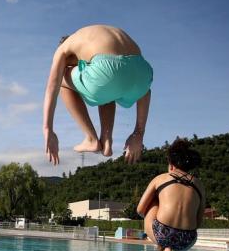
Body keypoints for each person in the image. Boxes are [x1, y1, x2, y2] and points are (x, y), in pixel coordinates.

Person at [42, 24, 153, 165]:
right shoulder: (95, 34)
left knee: (62, 79)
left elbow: (52, 86)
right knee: (106, 90)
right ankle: (106, 140)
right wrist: (139, 134)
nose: (75, 67)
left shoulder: (64, 48)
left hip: (107, 72)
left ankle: (91, 138)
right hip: (143, 72)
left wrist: (48, 129)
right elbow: (145, 92)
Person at [136, 139, 205, 251]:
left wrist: (158, 203)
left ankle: (164, 248)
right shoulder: (199, 185)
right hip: (187, 240)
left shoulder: (161, 178)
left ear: (171, 164)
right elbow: (198, 222)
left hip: (161, 233)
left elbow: (140, 209)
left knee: (153, 201)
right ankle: (166, 249)